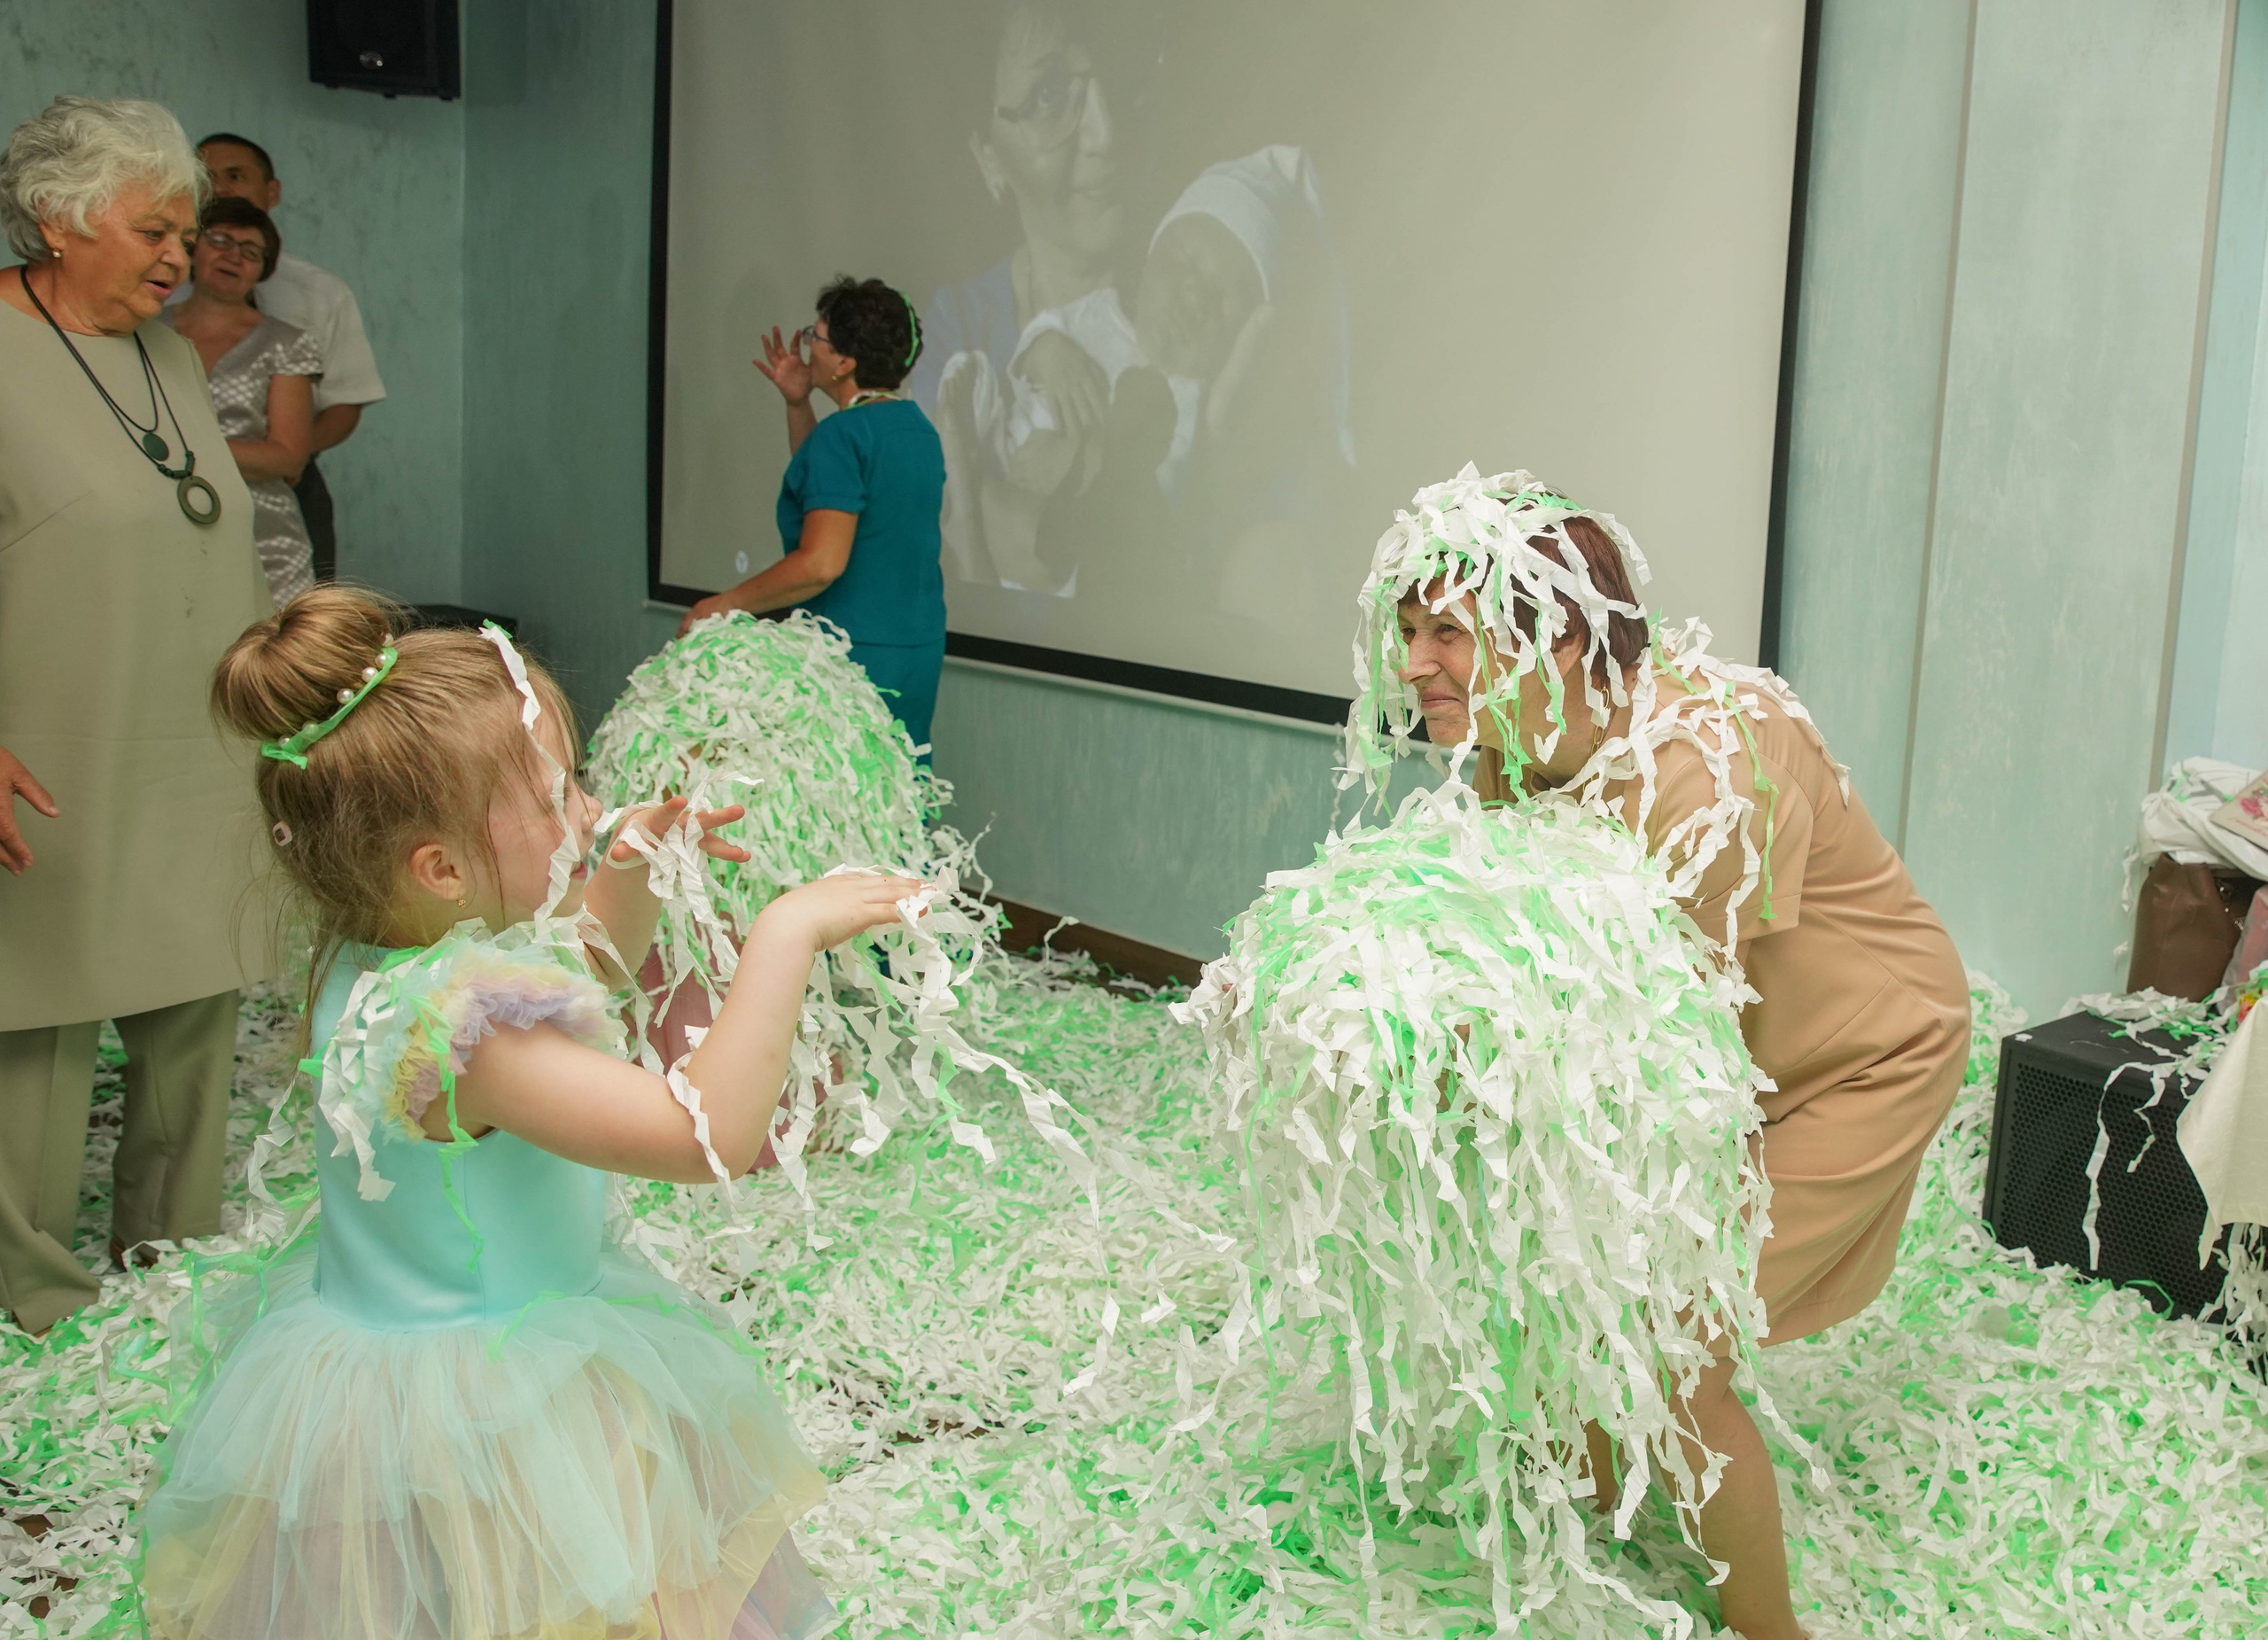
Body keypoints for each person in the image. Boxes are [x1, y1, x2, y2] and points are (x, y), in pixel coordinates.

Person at [139, 584, 920, 1640]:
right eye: (558, 799)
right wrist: (784, 933)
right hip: (497, 1404)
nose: (588, 813)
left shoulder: (392, 962)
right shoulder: (472, 1034)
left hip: (399, 1371)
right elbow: (704, 1136)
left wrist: (627, 870)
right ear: (442, 867)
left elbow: (583, 973)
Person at [1356, 469, 1969, 1640]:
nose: (1414, 663)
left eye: (1447, 632)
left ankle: (1768, 1627)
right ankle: (1607, 1479)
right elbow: (1510, 943)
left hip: (1863, 1053)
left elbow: (1652, 1032)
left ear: (1555, 636)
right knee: (1588, 1279)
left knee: (1672, 1342)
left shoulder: (1709, 765)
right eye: (1409, 629)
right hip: (1718, 1048)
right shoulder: (1510, 742)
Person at [0, 97, 274, 1339]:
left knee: (195, 1011)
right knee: (37, 1030)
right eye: (152, 229)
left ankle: (170, 1275)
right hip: (48, 752)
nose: (179, 255)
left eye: (186, 230)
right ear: (57, 219)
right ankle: (37, 1305)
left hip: (197, 746)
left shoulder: (170, 357)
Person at [678, 277, 949, 754]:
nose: (808, 348)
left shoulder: (843, 437)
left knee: (835, 781)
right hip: (914, 648)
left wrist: (723, 604)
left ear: (845, 363)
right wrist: (798, 403)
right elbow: (828, 491)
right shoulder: (915, 428)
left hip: (853, 650)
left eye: (815, 338)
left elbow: (821, 563)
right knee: (895, 780)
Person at [195, 131, 385, 581]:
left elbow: (345, 403)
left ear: (272, 191)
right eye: (206, 177)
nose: (219, 188)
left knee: (299, 615)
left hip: (287, 486)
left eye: (235, 176)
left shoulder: (318, 290)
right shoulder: (160, 287)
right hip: (172, 486)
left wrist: (289, 457)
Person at [163, 195, 321, 603]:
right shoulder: (145, 331)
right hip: (160, 523)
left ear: (263, 269)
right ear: (192, 247)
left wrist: (180, 452)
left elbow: (288, 457)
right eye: (220, 240)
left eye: (251, 251)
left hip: (264, 534)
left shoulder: (286, 343)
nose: (234, 256)